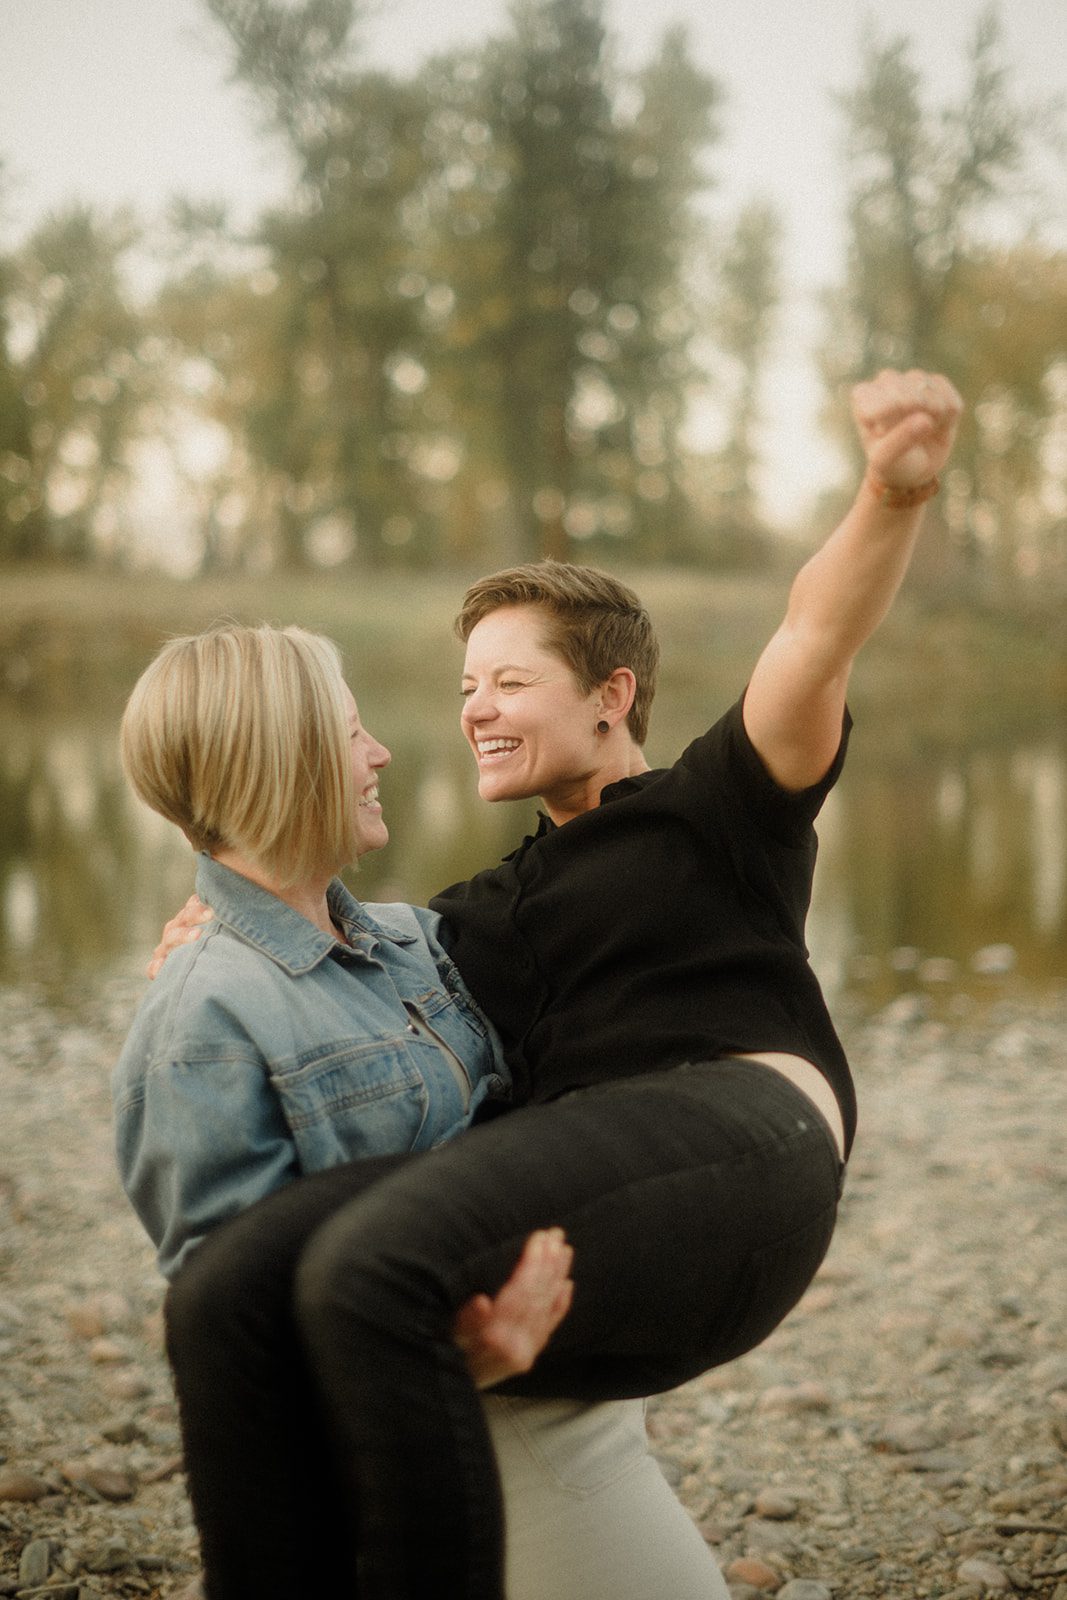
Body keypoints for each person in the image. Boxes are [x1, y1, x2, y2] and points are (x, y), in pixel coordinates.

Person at [153, 368, 963, 1599]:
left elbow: (812, 636)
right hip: (599, 1198)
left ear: (609, 696)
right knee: (225, 1294)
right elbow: (324, 935)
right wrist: (217, 921)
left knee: (372, 1264)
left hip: (747, 1139)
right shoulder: (471, 913)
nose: (476, 708)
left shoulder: (713, 810)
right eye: (466, 684)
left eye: (510, 681)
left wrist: (888, 494)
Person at [114, 624, 731, 1600]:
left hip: (569, 1378)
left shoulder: (416, 943)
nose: (381, 754)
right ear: (279, 761)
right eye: (353, 733)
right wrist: (457, 1359)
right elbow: (240, 1338)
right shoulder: (204, 1019)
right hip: (461, 1414)